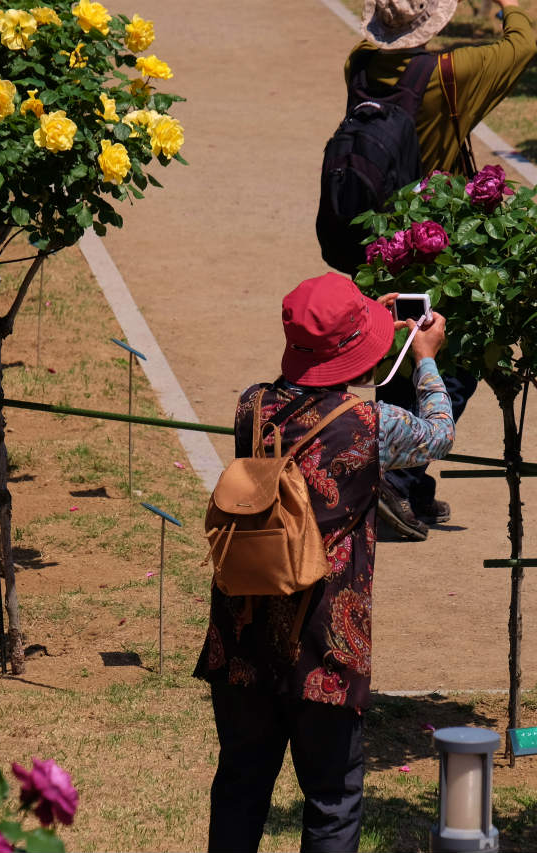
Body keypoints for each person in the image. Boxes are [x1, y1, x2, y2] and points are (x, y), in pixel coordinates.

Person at [195, 272, 454, 852]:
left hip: (243, 629)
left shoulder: (251, 406)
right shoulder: (369, 424)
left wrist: (368, 326)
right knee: (333, 799)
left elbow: (313, 384)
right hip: (326, 641)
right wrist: (423, 360)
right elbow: (439, 433)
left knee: (240, 784)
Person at [348, 0, 535, 539]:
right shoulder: (448, 75)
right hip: (440, 241)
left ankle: (408, 481)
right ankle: (397, 481)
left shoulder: (357, 65)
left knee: (396, 347)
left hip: (379, 237)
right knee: (453, 355)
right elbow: (521, 47)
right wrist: (512, 8)